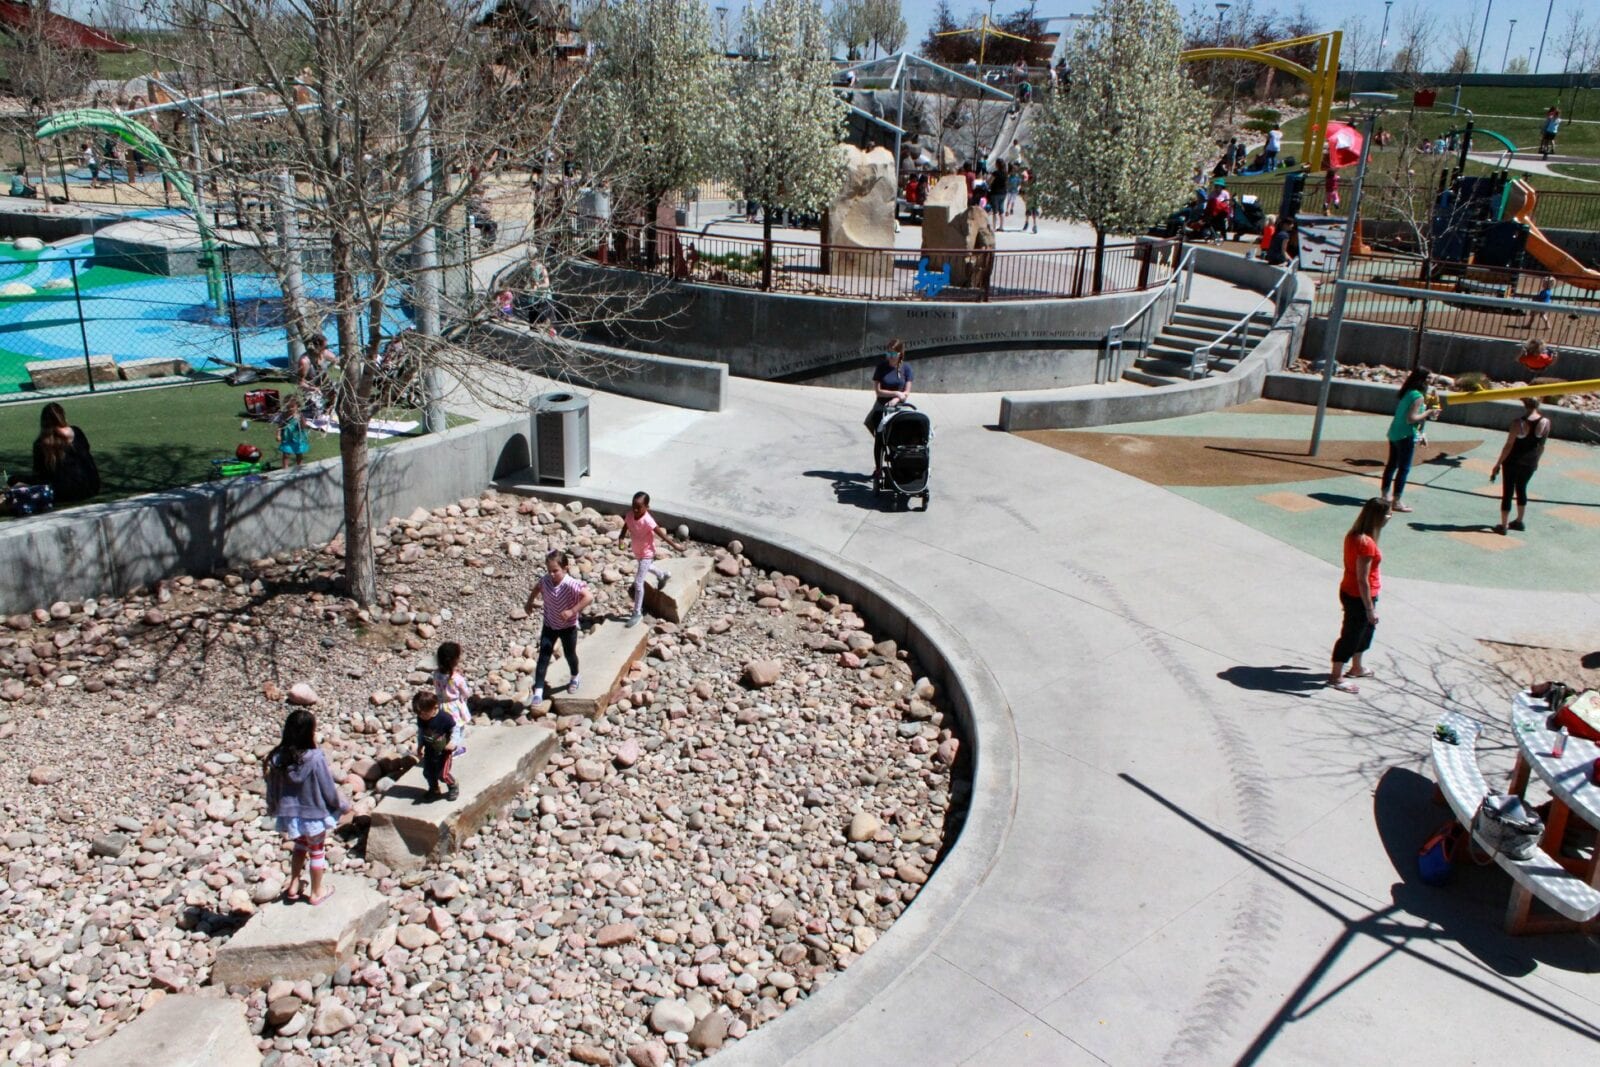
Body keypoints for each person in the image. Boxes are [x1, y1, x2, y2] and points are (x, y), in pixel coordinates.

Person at [263, 708, 349, 904]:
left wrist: (273, 807)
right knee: (317, 851)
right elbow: (327, 787)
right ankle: (317, 891)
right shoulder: (315, 757)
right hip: (313, 815)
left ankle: (294, 883)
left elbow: (273, 787)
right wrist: (341, 805)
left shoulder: (278, 757)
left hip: (291, 816)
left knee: (300, 846)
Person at [1328, 497, 1392, 694]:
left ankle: (1357, 667)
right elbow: (1362, 579)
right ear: (1379, 517)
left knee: (1365, 632)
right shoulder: (1366, 543)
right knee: (1351, 635)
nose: (1390, 517)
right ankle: (1336, 676)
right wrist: (1369, 609)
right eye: (1388, 514)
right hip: (1360, 596)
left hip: (1352, 592)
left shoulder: (1354, 535)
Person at [525, 549, 595, 706]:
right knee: (543, 656)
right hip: (549, 624)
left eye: (555, 571)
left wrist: (572, 611)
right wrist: (529, 602)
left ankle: (575, 676)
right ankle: (539, 690)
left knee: (570, 655)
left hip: (567, 627)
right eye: (549, 571)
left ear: (565, 568)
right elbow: (537, 587)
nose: (552, 574)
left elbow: (588, 597)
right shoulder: (546, 581)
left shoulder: (570, 583)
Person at [619, 491, 683, 627]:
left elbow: (663, 535)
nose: (635, 510)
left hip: (647, 553)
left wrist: (675, 546)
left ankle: (637, 613)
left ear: (647, 507)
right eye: (633, 506)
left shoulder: (648, 520)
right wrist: (621, 540)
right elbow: (625, 528)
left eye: (639, 507)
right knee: (647, 567)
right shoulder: (630, 515)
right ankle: (662, 575)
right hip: (637, 551)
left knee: (638, 583)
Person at [1380, 367, 1437, 513]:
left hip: (1394, 432)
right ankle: (1397, 500)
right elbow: (1411, 419)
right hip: (1405, 435)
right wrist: (1429, 412)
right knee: (1404, 468)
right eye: (1429, 378)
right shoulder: (1418, 396)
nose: (1432, 380)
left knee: (1392, 464)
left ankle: (1385, 495)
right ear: (1423, 380)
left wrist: (1421, 433)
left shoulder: (1408, 392)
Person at [1491, 397, 1551, 535]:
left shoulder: (1517, 423)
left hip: (1513, 461)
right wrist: (1536, 461)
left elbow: (1509, 445)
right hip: (1530, 462)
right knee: (1522, 489)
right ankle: (1519, 520)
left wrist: (1498, 464)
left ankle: (1504, 525)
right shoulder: (1546, 422)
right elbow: (1542, 446)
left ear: (1524, 405)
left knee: (1508, 492)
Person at [30, 402, 100, 503]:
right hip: (92, 486)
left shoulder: (40, 444)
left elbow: (40, 474)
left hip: (63, 492)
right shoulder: (77, 432)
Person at [865, 339, 913, 481]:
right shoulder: (881, 367)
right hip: (881, 407)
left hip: (898, 408)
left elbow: (907, 392)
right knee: (879, 439)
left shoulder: (906, 368)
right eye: (888, 352)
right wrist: (895, 394)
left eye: (893, 353)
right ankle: (878, 469)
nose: (890, 356)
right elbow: (878, 391)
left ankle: (898, 466)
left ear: (900, 353)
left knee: (897, 438)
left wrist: (897, 399)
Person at [413, 691, 459, 802]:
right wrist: (420, 746)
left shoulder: (444, 718)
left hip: (444, 751)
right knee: (428, 772)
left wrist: (453, 742)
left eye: (424, 713)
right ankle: (434, 789)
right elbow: (421, 732)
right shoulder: (421, 719)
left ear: (435, 707)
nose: (421, 716)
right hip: (430, 750)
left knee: (442, 774)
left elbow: (455, 730)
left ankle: (453, 786)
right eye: (419, 714)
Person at [433, 641, 472, 757]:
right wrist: (465, 697)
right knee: (457, 728)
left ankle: (444, 746)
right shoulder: (456, 678)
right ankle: (455, 749)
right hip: (454, 706)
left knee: (446, 728)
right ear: (454, 660)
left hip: (441, 704)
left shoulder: (436, 674)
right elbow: (466, 692)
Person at [276, 395, 310, 469]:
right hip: (287, 437)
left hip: (298, 437)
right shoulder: (284, 415)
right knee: (286, 453)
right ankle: (285, 467)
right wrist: (278, 435)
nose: (290, 409)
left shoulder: (299, 415)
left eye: (292, 407)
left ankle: (299, 466)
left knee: (299, 453)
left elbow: (303, 426)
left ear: (297, 406)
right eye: (288, 407)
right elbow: (280, 425)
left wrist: (302, 421)